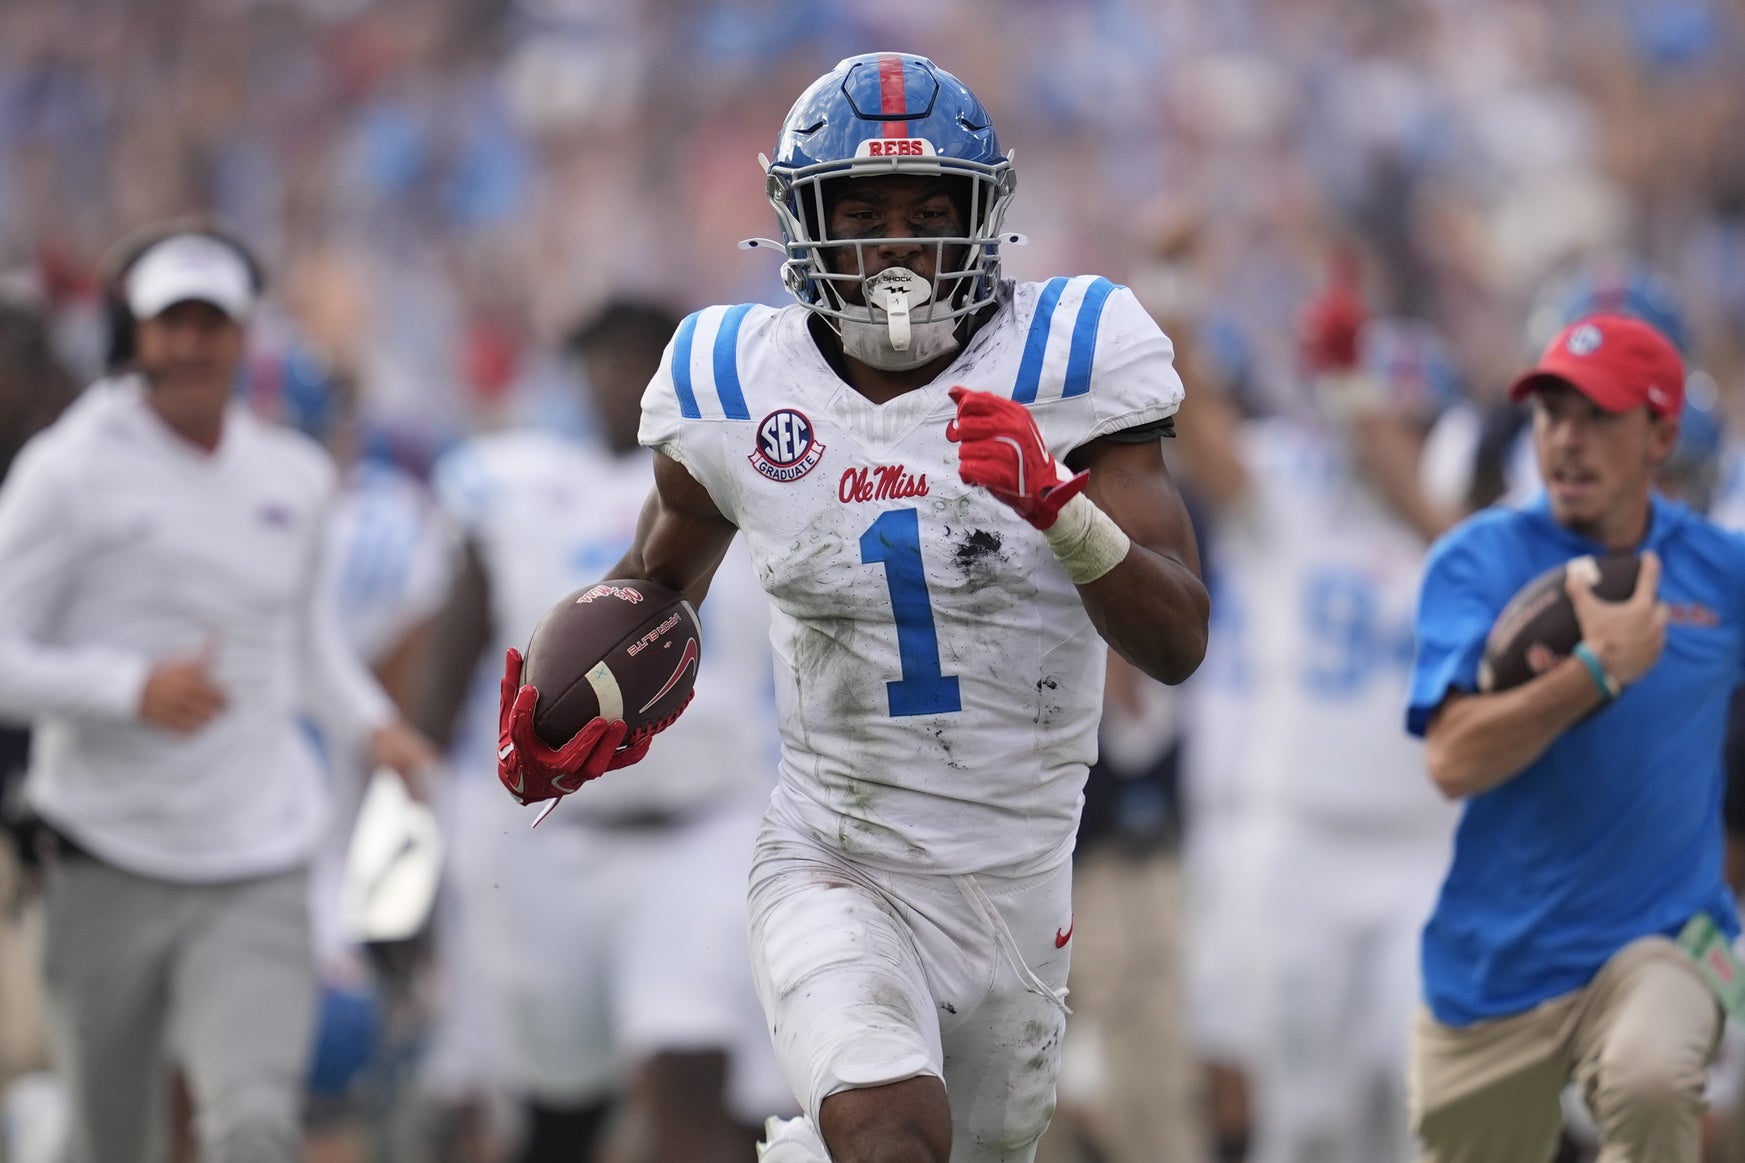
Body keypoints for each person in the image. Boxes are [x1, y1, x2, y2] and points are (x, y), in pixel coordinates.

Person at [492, 52, 1210, 1163]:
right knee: (886, 1132)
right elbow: (658, 585)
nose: (894, 246)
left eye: (929, 212)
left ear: (983, 221)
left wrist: (1056, 504)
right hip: (833, 854)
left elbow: (1176, 639)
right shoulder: (733, 379)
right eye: (859, 211)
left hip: (1018, 875)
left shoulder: (1072, 357)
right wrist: (577, 710)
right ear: (798, 222)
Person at [0, 221, 434, 1163]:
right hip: (105, 853)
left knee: (253, 1125)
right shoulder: (65, 472)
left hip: (256, 858)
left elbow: (303, 640)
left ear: (244, 336)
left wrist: (375, 729)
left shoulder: (292, 474)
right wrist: (125, 687)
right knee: (111, 1140)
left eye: (211, 322)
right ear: (135, 334)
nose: (189, 345)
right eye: (169, 323)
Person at [415, 296, 793, 1163]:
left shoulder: (737, 481)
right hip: (549, 842)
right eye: (603, 357)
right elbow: (447, 669)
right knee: (556, 1107)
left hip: (702, 827)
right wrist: (399, 831)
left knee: (688, 1069)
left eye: (641, 357)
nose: (621, 377)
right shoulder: (507, 488)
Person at [1405, 311, 1745, 1162]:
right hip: (1495, 959)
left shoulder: (1720, 573)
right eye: (1552, 412)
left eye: (1599, 415)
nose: (1567, 438)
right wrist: (1593, 674)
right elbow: (1450, 760)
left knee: (1652, 1078)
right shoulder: (1473, 560)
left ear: (1661, 433)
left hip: (1661, 940)